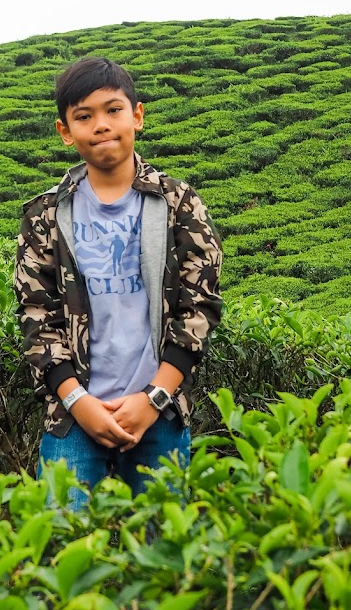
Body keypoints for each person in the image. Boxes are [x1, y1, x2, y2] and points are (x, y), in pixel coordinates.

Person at [14, 57, 222, 510]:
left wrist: (154, 397)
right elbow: (36, 317)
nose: (102, 125)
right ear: (65, 131)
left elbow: (199, 308)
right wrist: (78, 401)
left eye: (113, 110)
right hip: (73, 415)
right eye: (84, 116)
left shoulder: (179, 203)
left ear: (138, 116)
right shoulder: (44, 215)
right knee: (59, 549)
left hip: (159, 412)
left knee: (164, 550)